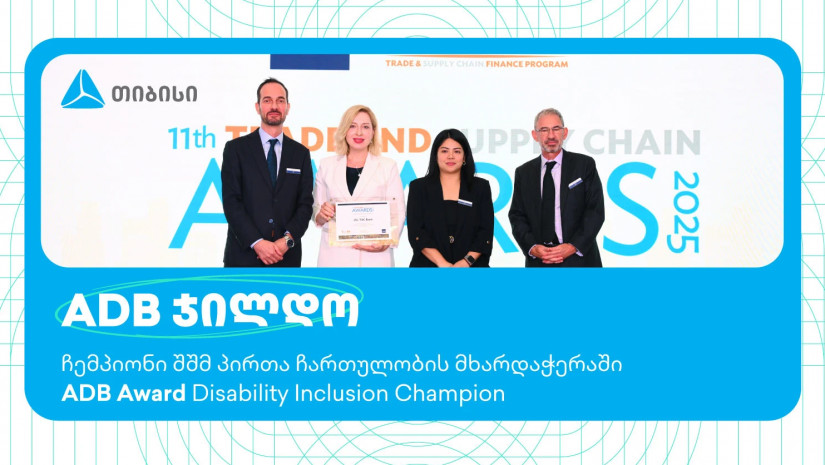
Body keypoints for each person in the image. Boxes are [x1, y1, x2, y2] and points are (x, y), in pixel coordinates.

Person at [221, 78, 313, 267]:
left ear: (287, 107)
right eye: (267, 100)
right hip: (243, 258)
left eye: (280, 100)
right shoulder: (236, 149)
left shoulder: (301, 154)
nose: (274, 106)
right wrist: (257, 243)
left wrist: (286, 241)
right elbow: (231, 202)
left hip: (286, 258)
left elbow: (305, 205)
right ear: (258, 107)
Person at [508, 108, 605, 267]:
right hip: (539, 262)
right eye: (544, 130)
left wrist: (572, 247)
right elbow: (517, 216)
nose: (551, 135)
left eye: (556, 129)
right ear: (535, 135)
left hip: (580, 261)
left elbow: (595, 211)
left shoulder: (584, 165)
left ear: (564, 133)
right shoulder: (524, 173)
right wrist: (533, 248)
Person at [313, 105, 405, 267]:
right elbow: (316, 210)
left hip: (375, 258)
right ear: (344, 130)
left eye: (365, 127)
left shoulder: (388, 166)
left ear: (373, 132)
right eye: (352, 126)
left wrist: (387, 241)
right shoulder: (326, 165)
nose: (359, 133)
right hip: (334, 258)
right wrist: (321, 214)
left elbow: (397, 211)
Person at [407, 129, 494, 267]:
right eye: (444, 151)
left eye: (457, 151)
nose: (451, 156)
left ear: (464, 157)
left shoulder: (480, 187)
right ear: (435, 155)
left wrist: (466, 262)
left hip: (472, 269)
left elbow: (485, 232)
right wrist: (443, 264)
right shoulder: (418, 187)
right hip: (428, 268)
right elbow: (416, 232)